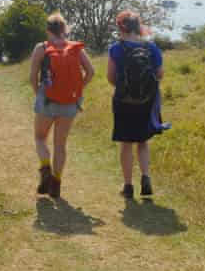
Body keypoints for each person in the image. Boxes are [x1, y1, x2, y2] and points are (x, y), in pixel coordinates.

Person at [29, 13, 94, 199]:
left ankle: (45, 168)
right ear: (65, 29)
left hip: (47, 100)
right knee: (60, 144)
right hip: (70, 103)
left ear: (48, 30)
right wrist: (78, 89)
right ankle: (56, 183)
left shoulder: (41, 48)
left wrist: (39, 93)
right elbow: (90, 72)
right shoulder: (76, 49)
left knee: (40, 138)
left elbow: (33, 76)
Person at [106, 10, 165, 198]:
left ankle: (128, 186)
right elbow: (160, 74)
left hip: (123, 101)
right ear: (137, 26)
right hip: (147, 101)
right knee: (142, 141)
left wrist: (125, 87)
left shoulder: (116, 49)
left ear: (120, 27)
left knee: (126, 143)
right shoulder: (152, 47)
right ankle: (146, 178)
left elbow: (110, 77)